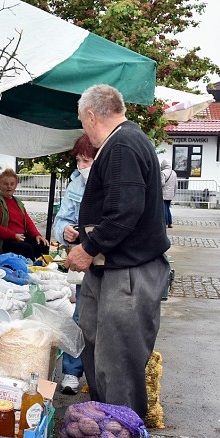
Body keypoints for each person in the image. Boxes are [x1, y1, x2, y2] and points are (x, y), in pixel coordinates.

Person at [65, 84, 170, 420]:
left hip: (128, 273)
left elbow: (125, 211)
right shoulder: (125, 140)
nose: (84, 129)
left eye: (83, 122)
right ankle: (107, 428)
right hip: (118, 269)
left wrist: (88, 248)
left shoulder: (123, 144)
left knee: (119, 359)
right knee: (103, 349)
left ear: (92, 115)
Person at [52, 135, 97, 395]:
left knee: (104, 321)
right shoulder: (76, 183)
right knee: (79, 317)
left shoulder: (114, 180)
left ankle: (98, 375)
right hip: (83, 265)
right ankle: (71, 372)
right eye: (79, 160)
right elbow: (60, 221)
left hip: (110, 264)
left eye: (86, 160)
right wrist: (65, 231)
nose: (81, 166)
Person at [0, 168, 50, 259]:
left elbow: (27, 221)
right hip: (2, 241)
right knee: (26, 248)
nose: (9, 187)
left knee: (43, 244)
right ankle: (30, 270)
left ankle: (41, 269)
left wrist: (37, 235)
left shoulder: (17, 202)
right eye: (5, 184)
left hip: (19, 236)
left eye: (12, 184)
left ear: (16, 185)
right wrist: (13, 235)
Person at [160, 159, 177, 228]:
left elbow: (162, 183)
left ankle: (165, 223)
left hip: (164, 193)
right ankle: (170, 223)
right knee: (168, 208)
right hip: (171, 194)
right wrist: (174, 193)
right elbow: (176, 185)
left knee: (164, 208)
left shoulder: (163, 172)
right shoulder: (174, 173)